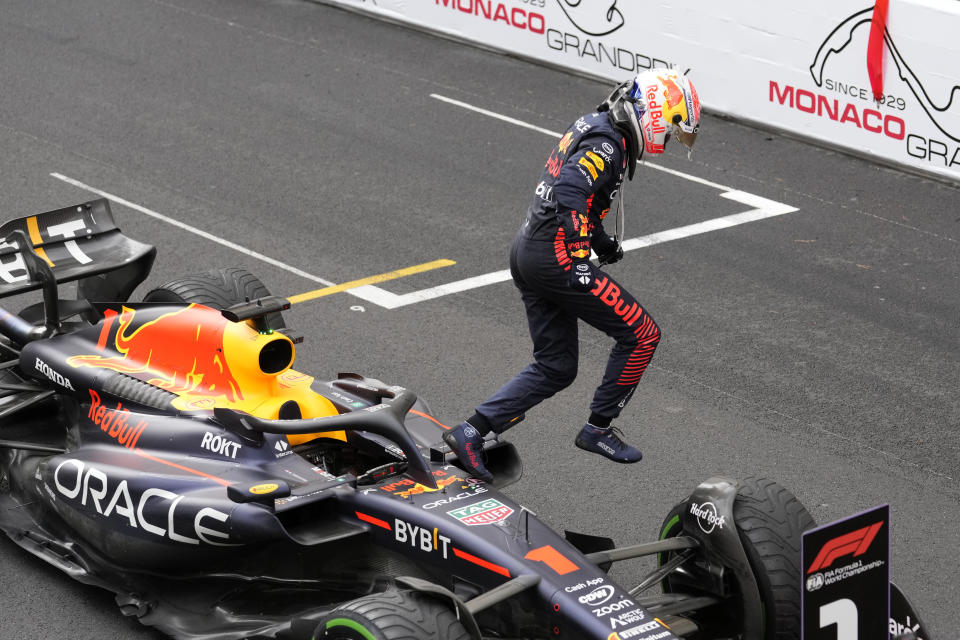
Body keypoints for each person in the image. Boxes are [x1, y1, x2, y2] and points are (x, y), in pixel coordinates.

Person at [443, 70, 702, 482]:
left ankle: (471, 431)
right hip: (555, 259)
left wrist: (600, 243)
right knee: (642, 334)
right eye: (672, 131)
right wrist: (582, 255)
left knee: (556, 366)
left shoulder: (596, 125)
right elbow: (569, 192)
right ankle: (598, 429)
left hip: (530, 249)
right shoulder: (608, 143)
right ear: (656, 113)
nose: (669, 141)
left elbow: (571, 197)